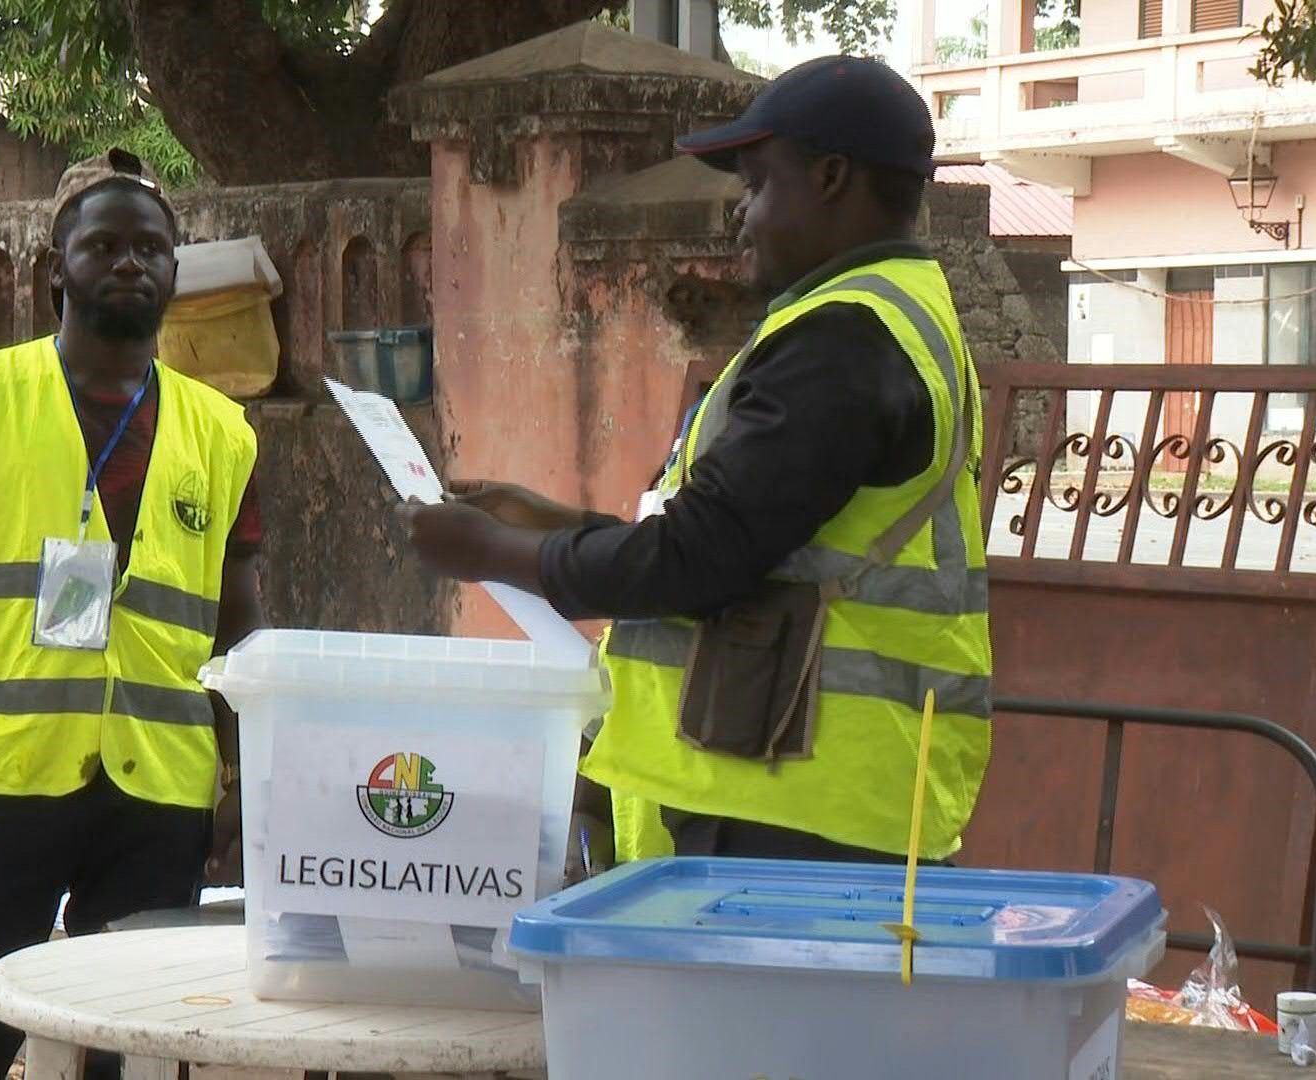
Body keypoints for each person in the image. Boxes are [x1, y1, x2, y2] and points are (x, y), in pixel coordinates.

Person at [401, 57, 992, 872]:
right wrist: (560, 524)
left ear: (831, 178)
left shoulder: (843, 338)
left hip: (798, 809)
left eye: (756, 186)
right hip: (809, 791)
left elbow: (699, 557)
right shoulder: (880, 317)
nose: (739, 219)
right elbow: (754, 543)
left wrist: (492, 555)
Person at [0, 148, 264, 1079]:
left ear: (176, 270)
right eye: (103, 245)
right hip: (6, 781)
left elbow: (240, 617)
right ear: (57, 266)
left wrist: (249, 776)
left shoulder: (225, 432)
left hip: (161, 793)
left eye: (151, 248)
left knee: (128, 1046)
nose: (130, 262)